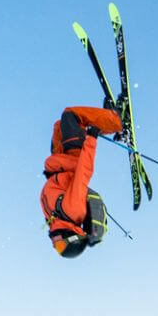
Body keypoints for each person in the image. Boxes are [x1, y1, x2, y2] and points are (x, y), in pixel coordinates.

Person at [40, 104, 123, 258]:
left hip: (59, 161)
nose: (54, 245)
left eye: (56, 249)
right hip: (74, 156)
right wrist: (91, 139)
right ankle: (118, 121)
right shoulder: (72, 211)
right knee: (70, 115)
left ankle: (106, 117)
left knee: (59, 125)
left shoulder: (55, 220)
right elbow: (83, 173)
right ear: (71, 238)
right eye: (59, 245)